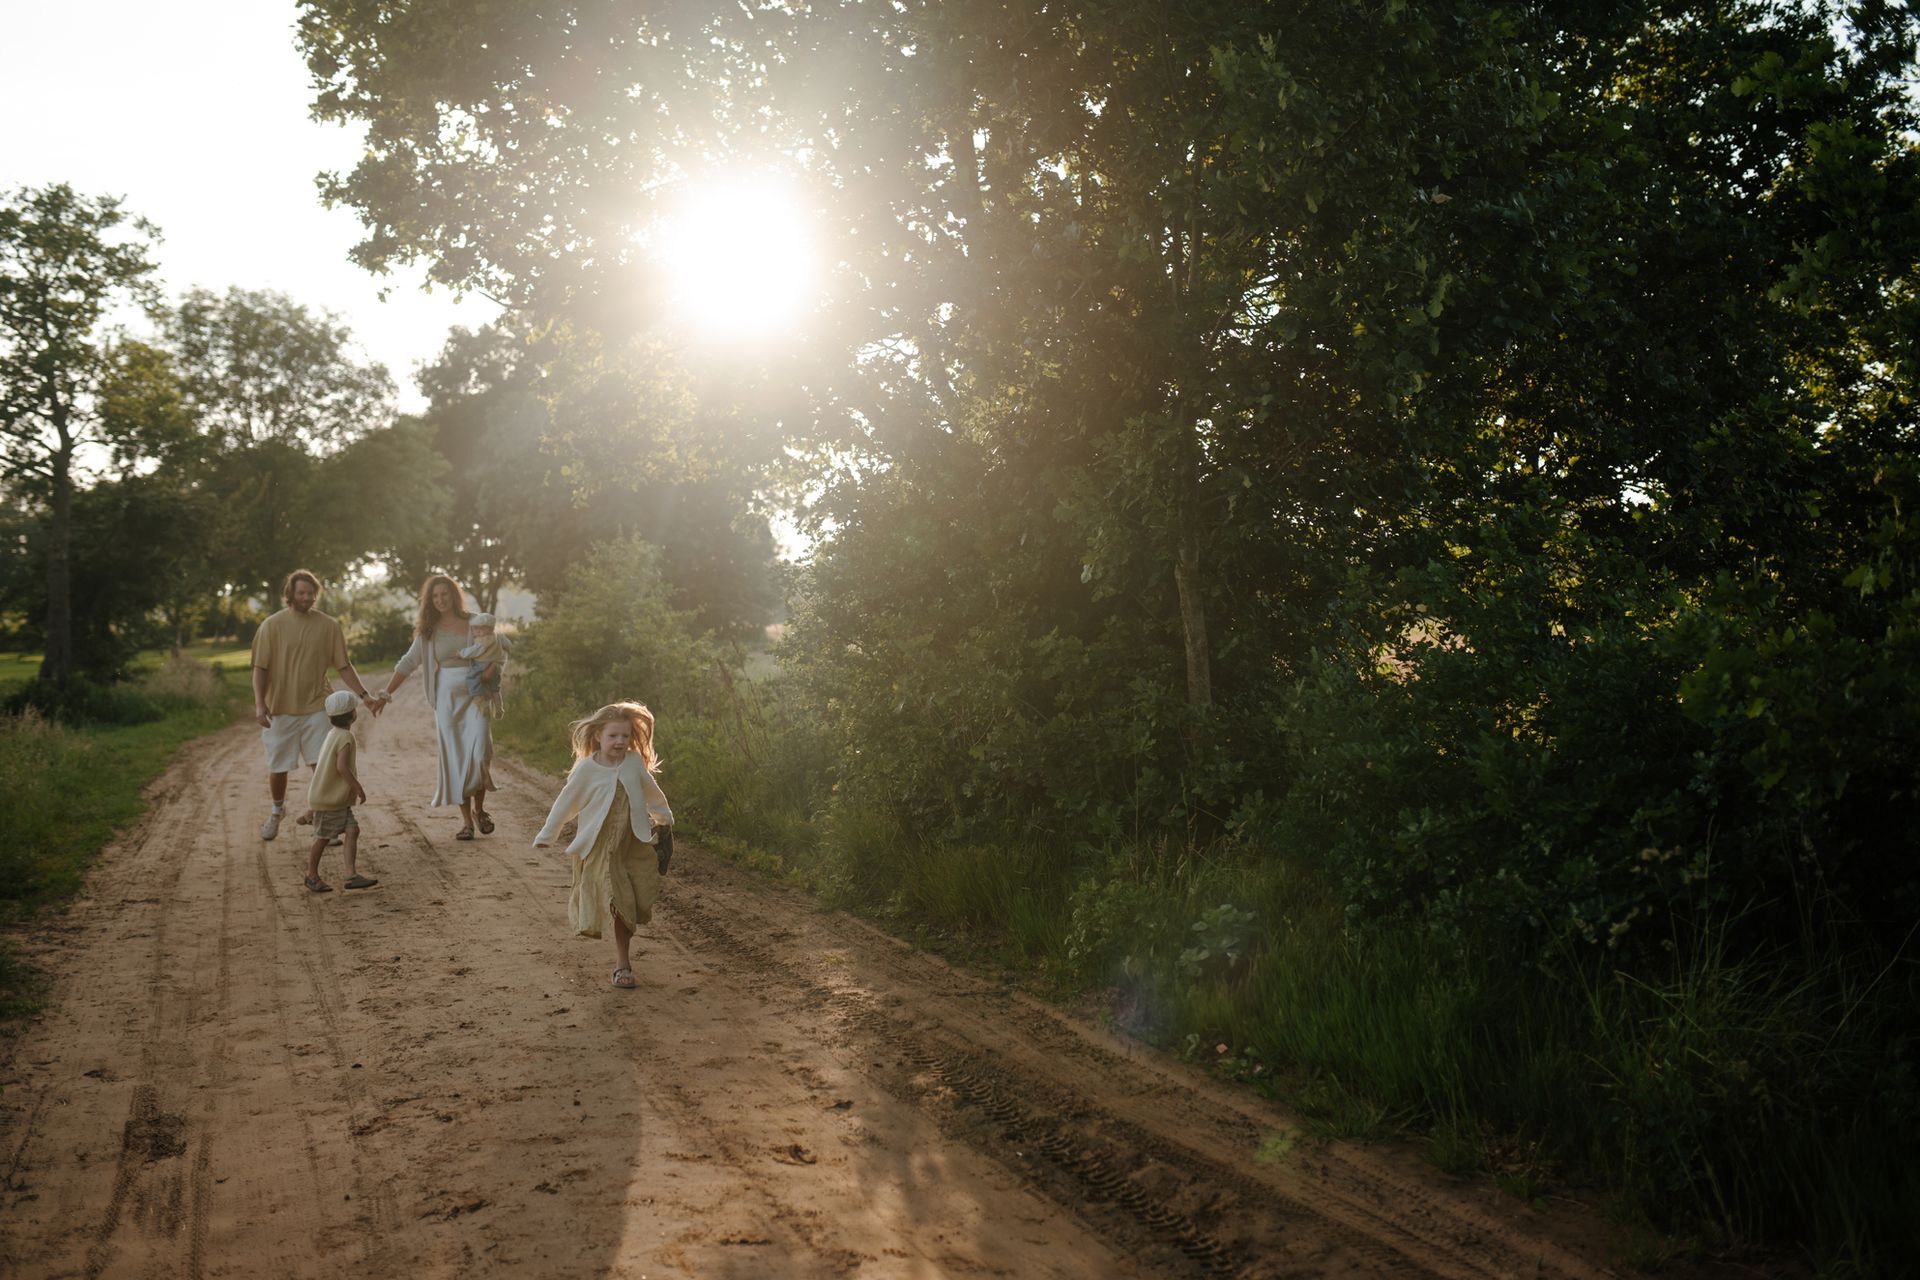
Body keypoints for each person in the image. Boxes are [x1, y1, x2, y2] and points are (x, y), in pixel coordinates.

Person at [533, 702, 674, 989]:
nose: (620, 741)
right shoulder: (587, 768)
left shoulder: (634, 763)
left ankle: (623, 956)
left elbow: (652, 793)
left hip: (630, 844)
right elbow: (566, 802)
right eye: (613, 736)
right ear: (598, 735)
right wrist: (548, 834)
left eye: (625, 736)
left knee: (631, 901)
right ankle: (623, 964)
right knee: (615, 899)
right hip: (599, 848)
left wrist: (664, 821)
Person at [252, 569, 384, 841]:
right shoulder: (271, 626)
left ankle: (325, 821)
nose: (307, 598)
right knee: (278, 767)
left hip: (317, 707)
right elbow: (260, 668)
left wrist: (364, 695)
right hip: (280, 708)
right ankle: (277, 812)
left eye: (311, 593)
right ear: (290, 594)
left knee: (322, 766)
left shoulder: (329, 626)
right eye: (301, 593)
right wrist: (259, 705)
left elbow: (344, 666)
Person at [378, 575, 497, 840]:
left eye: (444, 594)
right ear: (429, 601)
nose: (440, 600)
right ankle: (467, 822)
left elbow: (495, 651)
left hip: (477, 697)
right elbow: (408, 663)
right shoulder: (428, 631)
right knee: (456, 758)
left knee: (480, 753)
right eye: (435, 596)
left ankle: (480, 810)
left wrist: (490, 674)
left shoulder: (474, 621)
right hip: (447, 701)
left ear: (454, 595)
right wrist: (385, 694)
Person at [304, 690, 378, 893]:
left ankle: (350, 874)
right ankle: (311, 875)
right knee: (323, 837)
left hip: (333, 799)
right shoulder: (346, 737)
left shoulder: (332, 734)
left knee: (352, 830)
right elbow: (341, 766)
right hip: (330, 800)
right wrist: (358, 787)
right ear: (353, 715)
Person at [457, 612, 511, 717]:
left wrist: (461, 653)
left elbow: (475, 651)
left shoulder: (483, 640)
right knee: (495, 689)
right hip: (496, 667)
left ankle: (479, 699)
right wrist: (504, 651)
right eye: (476, 628)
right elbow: (508, 645)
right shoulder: (498, 636)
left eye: (482, 628)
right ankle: (499, 709)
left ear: (490, 629)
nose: (478, 631)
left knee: (472, 677)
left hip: (482, 664)